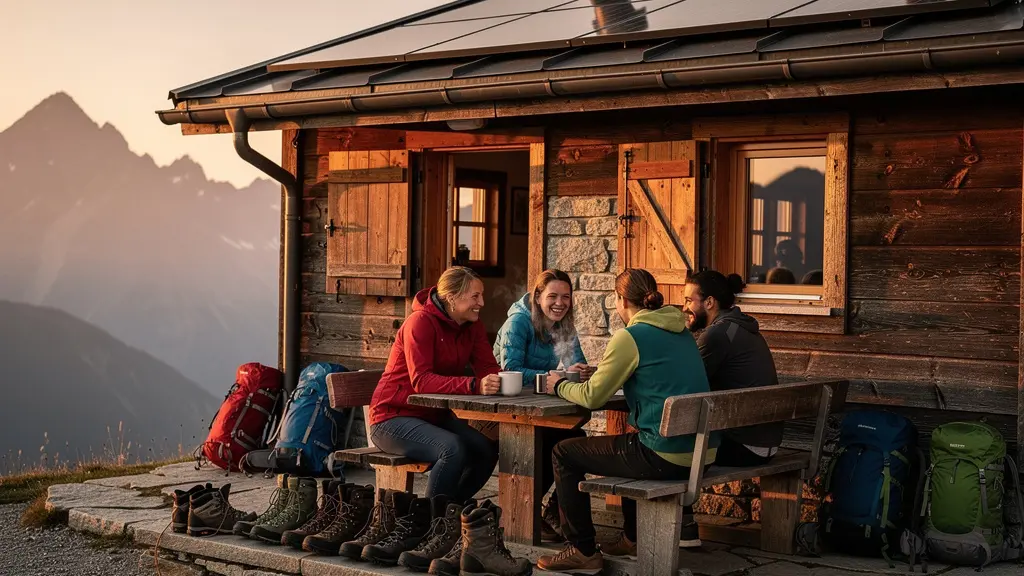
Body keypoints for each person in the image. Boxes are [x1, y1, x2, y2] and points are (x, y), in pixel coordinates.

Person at [536, 269, 716, 574]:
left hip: (666, 455)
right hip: (702, 454)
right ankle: (633, 539)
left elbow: (592, 398)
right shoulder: (681, 331)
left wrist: (557, 385)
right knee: (631, 439)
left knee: (564, 452)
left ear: (620, 300)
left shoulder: (631, 335)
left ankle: (582, 550)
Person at [368, 266, 501, 502]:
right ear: (451, 298)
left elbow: (489, 368)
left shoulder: (473, 326)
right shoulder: (419, 323)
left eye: (481, 296)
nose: (481, 302)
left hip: (433, 417)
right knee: (452, 449)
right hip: (391, 418)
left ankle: (449, 511)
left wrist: (506, 381)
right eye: (475, 296)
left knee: (486, 450)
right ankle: (429, 521)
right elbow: (421, 381)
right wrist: (474, 385)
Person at [492, 269, 594, 542]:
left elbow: (575, 360)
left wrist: (581, 370)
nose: (560, 303)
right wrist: (552, 378)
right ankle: (519, 513)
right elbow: (509, 369)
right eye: (552, 296)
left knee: (573, 438)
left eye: (566, 297)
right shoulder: (519, 323)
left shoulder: (564, 326)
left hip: (538, 404)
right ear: (537, 297)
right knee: (564, 441)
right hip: (505, 405)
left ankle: (550, 512)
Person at [682, 270, 782, 466]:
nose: (684, 307)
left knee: (668, 451)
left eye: (688, 300)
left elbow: (687, 385)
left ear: (709, 302)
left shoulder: (717, 335)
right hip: (765, 443)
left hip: (744, 446)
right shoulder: (741, 327)